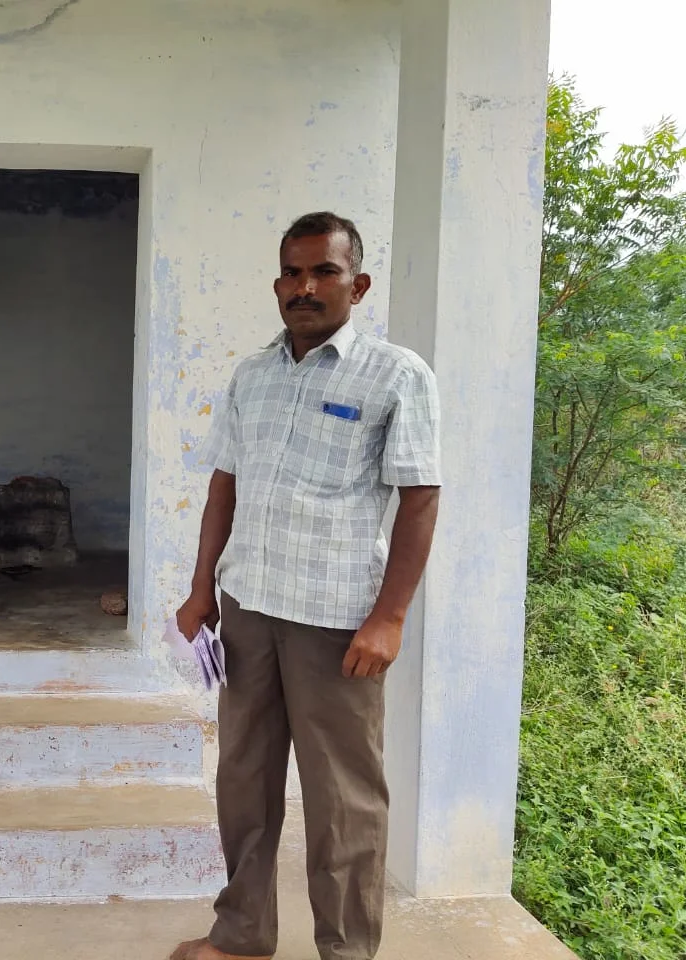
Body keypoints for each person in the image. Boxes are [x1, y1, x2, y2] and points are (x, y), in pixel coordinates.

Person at [170, 212, 442, 960]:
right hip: (248, 612)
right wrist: (202, 592)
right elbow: (225, 485)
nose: (305, 287)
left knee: (343, 803)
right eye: (293, 272)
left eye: (324, 271)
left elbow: (420, 497)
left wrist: (389, 618)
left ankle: (347, 951)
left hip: (336, 625)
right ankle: (242, 934)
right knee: (244, 784)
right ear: (277, 283)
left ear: (359, 283)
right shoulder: (251, 376)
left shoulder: (396, 375)